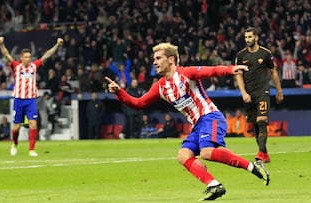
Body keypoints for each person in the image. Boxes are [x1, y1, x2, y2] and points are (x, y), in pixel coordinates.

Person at [105, 42, 270, 201]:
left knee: (206, 152)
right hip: (198, 125)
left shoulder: (186, 73)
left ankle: (253, 167)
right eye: (154, 59)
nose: (154, 62)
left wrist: (231, 69)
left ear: (170, 59)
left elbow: (210, 71)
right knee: (183, 155)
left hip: (210, 116)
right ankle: (214, 185)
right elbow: (138, 103)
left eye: (158, 58)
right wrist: (119, 92)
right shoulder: (160, 86)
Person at [0, 36, 64, 157]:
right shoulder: (16, 66)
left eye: (29, 57)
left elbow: (47, 55)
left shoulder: (34, 66)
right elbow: (6, 54)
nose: (28, 59)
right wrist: (1, 44)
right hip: (18, 100)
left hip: (31, 100)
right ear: (21, 58)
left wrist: (57, 45)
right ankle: (15, 144)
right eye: (26, 57)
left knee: (33, 123)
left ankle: (31, 149)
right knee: (16, 128)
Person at [235, 27, 284, 163]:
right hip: (249, 94)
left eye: (250, 37)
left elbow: (273, 72)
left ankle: (261, 154)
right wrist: (243, 93)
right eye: (246, 38)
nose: (248, 40)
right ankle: (265, 154)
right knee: (255, 126)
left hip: (263, 91)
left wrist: (279, 91)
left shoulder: (265, 54)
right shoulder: (241, 56)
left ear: (256, 37)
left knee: (261, 121)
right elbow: (238, 75)